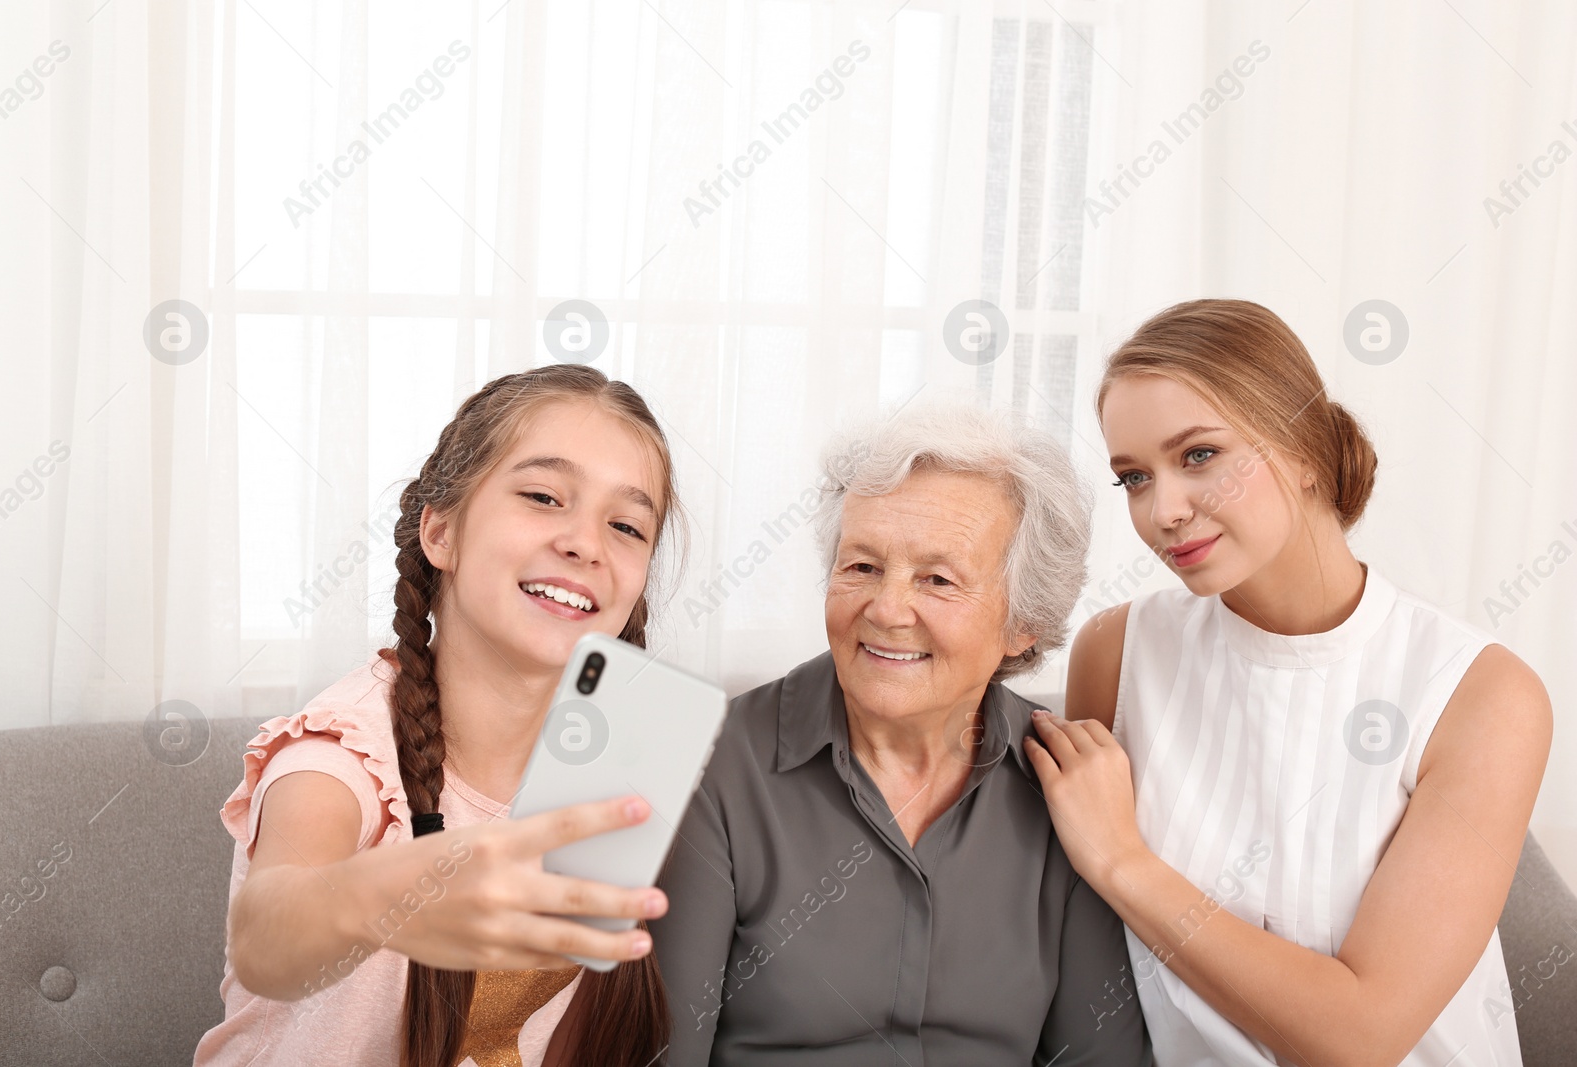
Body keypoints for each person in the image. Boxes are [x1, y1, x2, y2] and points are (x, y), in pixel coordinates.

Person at [1026, 299, 1552, 1065]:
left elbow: (1360, 1035)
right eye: (1134, 477)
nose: (1163, 510)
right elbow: (1089, 951)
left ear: (1305, 449)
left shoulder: (1482, 693)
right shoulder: (1118, 649)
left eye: (1199, 454)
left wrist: (1121, 861)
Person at [194, 364, 684, 1067]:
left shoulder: (614, 765)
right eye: (545, 496)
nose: (586, 542)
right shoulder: (340, 750)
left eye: (627, 525)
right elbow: (266, 932)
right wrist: (383, 898)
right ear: (441, 532)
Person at [652, 406, 1153, 1066]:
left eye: (937, 579)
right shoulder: (717, 764)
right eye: (860, 566)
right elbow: (665, 1053)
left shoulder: (1068, 781)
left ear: (1023, 622)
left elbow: (1098, 1057)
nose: (886, 610)